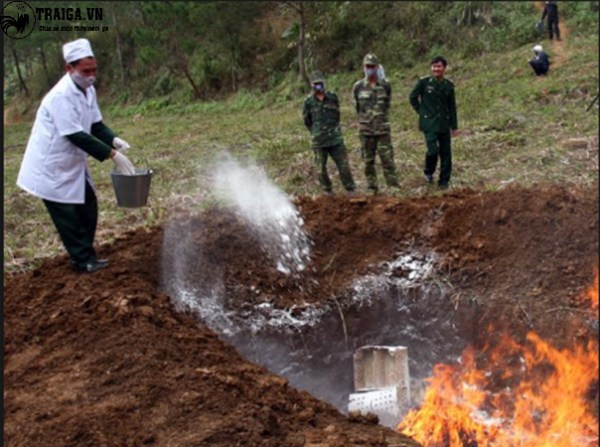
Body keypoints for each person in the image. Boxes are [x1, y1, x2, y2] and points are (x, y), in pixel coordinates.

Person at [16, 38, 136, 273]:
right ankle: (83, 260)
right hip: (50, 166)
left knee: (88, 205)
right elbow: (76, 135)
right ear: (69, 69)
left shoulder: (87, 90)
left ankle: (84, 254)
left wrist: (113, 139)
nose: (91, 76)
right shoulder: (60, 96)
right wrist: (113, 155)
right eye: (85, 71)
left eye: (94, 70)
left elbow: (95, 125)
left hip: (70, 163)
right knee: (68, 216)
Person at [352, 53, 400, 194]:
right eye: (367, 66)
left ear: (377, 67)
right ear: (364, 67)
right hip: (366, 131)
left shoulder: (385, 85)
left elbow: (387, 104)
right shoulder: (358, 87)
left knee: (388, 160)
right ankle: (372, 188)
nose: (370, 69)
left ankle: (393, 187)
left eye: (372, 66)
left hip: (382, 130)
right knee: (368, 161)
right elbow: (357, 108)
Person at [303, 70, 356, 195]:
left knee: (344, 166)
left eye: (320, 83)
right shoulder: (308, 102)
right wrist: (315, 132)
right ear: (312, 85)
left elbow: (337, 115)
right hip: (319, 142)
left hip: (335, 139)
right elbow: (307, 120)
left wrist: (333, 129)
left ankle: (351, 189)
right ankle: (328, 190)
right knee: (320, 169)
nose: (318, 86)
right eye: (316, 84)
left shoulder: (333, 98)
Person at [409, 56, 458, 190]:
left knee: (446, 154)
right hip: (429, 124)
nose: (436, 69)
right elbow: (413, 97)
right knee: (433, 151)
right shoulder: (424, 82)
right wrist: (422, 112)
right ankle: (428, 172)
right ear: (431, 68)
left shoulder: (448, 85)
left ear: (444, 68)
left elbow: (452, 107)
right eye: (434, 66)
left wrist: (454, 126)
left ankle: (444, 182)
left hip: (443, 123)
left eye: (439, 66)